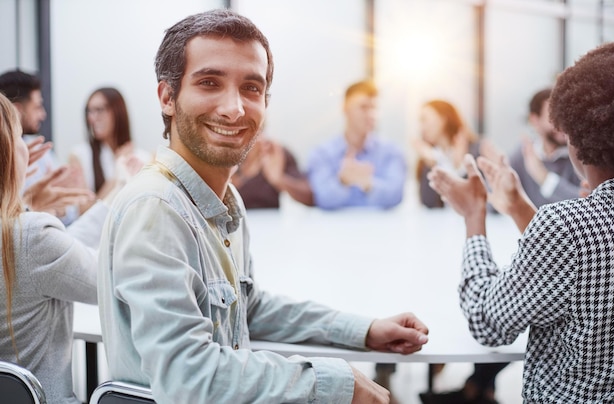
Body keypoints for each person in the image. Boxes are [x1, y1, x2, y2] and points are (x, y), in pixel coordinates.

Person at [97, 9, 429, 404]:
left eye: (251, 89)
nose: (234, 108)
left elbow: (247, 309)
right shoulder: (156, 207)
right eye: (209, 83)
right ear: (168, 97)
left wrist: (363, 329)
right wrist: (334, 384)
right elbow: (188, 376)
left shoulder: (223, 199)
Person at [426, 41, 614, 402]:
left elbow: (488, 321)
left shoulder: (568, 228)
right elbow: (578, 266)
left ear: (575, 141)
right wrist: (519, 208)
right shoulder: (576, 228)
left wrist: (474, 216)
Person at [0, 92, 110, 404]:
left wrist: (27, 206)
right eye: (20, 136)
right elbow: (109, 279)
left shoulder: (28, 234)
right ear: (8, 152)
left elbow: (62, 256)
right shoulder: (30, 236)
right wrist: (127, 198)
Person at [0, 69, 92, 223]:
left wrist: (59, 208)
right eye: (37, 107)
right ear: (16, 111)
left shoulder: (39, 149)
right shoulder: (21, 154)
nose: (42, 114)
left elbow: (69, 210)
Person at [307, 80, 406, 210]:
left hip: (381, 229)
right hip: (334, 230)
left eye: (374, 108)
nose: (371, 114)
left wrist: (368, 183)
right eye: (363, 107)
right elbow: (321, 199)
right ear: (345, 108)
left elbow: (396, 196)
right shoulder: (322, 154)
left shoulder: (391, 152)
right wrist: (343, 181)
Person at [68, 87, 151, 213]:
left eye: (99, 110)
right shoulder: (79, 155)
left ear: (117, 112)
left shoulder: (143, 157)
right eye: (89, 111)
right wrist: (117, 171)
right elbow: (84, 213)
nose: (92, 118)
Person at [508, 87, 581, 206]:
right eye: (554, 117)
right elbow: (493, 205)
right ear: (534, 120)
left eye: (565, 115)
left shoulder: (580, 155)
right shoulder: (523, 153)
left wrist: (545, 178)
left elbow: (588, 205)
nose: (562, 124)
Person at [415, 100, 493, 209]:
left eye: (424, 120)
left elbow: (483, 201)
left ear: (442, 119)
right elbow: (429, 203)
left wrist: (460, 169)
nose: (421, 127)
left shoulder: (476, 150)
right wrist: (432, 165)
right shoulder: (431, 155)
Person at [231, 130, 314, 208]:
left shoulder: (275, 154)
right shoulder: (225, 156)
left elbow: (310, 197)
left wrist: (279, 179)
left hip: (273, 220)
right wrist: (243, 174)